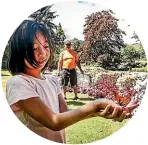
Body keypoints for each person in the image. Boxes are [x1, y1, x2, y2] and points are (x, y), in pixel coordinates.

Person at [6, 20, 138, 144]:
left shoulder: (51, 81)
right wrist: (94, 105)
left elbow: (64, 113)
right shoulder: (18, 83)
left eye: (46, 46)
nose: (43, 53)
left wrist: (98, 112)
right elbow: (54, 121)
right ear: (19, 51)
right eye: (34, 48)